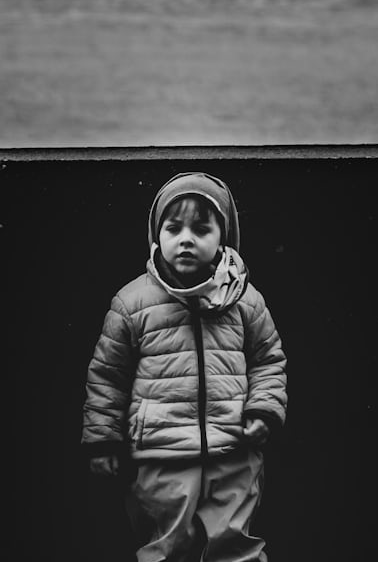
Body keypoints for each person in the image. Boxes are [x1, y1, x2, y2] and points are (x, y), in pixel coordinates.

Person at [82, 172, 288, 562]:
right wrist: (103, 440)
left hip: (233, 449)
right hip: (161, 453)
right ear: (156, 236)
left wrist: (263, 408)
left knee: (235, 545)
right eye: (173, 228)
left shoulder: (245, 301)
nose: (186, 239)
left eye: (201, 228)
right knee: (167, 547)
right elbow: (108, 377)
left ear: (223, 236)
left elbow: (268, 359)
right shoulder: (132, 303)